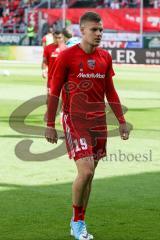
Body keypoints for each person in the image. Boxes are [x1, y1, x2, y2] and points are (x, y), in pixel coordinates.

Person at [45, 12, 130, 240]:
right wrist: (49, 123)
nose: (99, 34)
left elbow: (110, 90)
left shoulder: (104, 57)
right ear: (82, 30)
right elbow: (54, 91)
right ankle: (78, 221)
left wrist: (121, 121)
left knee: (90, 176)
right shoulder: (67, 56)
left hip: (98, 120)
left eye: (101, 30)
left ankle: (79, 219)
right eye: (94, 29)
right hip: (75, 119)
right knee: (86, 171)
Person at [42, 30, 66, 96]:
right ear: (53, 37)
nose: (57, 39)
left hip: (64, 78)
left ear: (63, 37)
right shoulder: (48, 48)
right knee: (50, 98)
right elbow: (44, 60)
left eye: (59, 38)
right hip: (51, 78)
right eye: (56, 38)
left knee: (64, 100)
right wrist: (44, 70)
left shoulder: (66, 49)